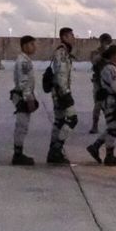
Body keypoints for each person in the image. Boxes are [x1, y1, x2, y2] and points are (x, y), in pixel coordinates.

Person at [86, 44, 116, 166]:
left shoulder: (109, 67)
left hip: (110, 101)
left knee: (112, 128)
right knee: (113, 129)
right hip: (110, 102)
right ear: (113, 55)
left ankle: (97, 147)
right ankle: (108, 155)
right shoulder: (110, 69)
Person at [47, 28, 77, 165]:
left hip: (58, 91)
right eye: (71, 35)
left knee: (59, 121)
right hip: (61, 92)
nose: (73, 38)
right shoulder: (62, 53)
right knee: (72, 119)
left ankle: (53, 151)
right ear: (64, 36)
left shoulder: (64, 52)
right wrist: (65, 93)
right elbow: (60, 74)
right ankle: (57, 149)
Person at [11, 35, 38, 166]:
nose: (34, 47)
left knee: (23, 126)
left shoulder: (25, 60)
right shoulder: (23, 61)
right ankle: (17, 154)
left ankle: (18, 152)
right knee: (21, 126)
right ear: (25, 46)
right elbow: (23, 81)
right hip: (23, 97)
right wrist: (29, 98)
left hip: (24, 95)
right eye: (32, 44)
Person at [89, 33, 113, 133]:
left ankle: (111, 125)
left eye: (108, 42)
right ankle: (95, 125)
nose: (107, 44)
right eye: (105, 42)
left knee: (110, 104)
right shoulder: (96, 52)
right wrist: (103, 53)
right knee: (98, 104)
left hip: (109, 82)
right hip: (98, 82)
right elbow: (94, 61)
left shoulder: (111, 52)